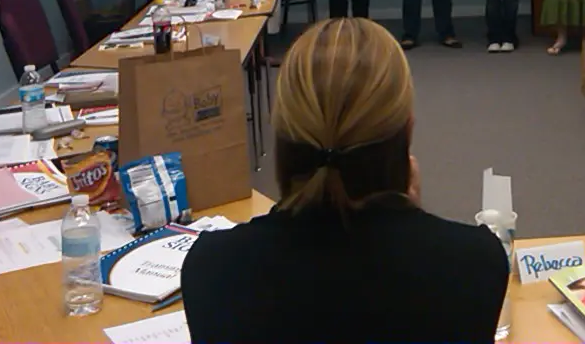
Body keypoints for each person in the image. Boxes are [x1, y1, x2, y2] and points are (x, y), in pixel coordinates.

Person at [181, 18, 509, 344]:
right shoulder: (474, 265)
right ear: (406, 132)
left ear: (282, 134)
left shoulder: (214, 270)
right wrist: (411, 214)